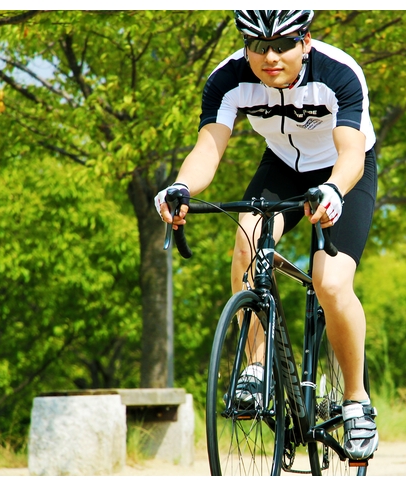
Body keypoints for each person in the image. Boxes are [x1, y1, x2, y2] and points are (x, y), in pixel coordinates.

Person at [154, 10, 378, 461]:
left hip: (343, 171)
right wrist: (180, 187)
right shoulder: (228, 78)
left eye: (282, 45)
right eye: (257, 46)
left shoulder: (339, 72)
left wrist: (334, 189)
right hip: (281, 166)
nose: (269, 57)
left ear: (305, 41)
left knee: (331, 283)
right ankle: (256, 367)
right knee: (246, 241)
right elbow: (208, 148)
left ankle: (357, 401)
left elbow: (352, 152)